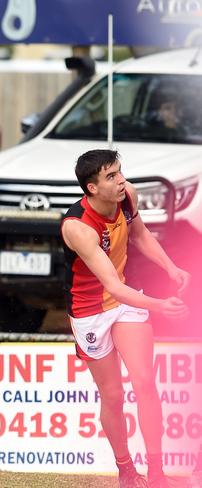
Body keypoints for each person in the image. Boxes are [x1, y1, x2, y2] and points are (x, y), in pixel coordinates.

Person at [61, 149, 190, 488]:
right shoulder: (77, 227)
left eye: (119, 172)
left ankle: (158, 475)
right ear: (91, 188)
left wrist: (171, 267)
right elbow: (112, 287)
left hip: (126, 301)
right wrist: (161, 306)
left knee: (145, 382)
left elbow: (140, 235)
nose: (121, 181)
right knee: (113, 395)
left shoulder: (127, 196)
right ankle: (127, 470)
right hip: (90, 309)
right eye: (111, 177)